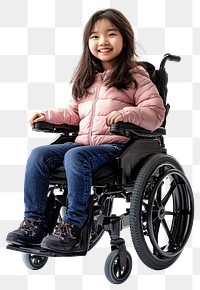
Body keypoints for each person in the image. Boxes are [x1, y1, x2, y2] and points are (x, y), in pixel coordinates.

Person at [6, 8, 165, 253]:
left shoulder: (136, 77)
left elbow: (155, 113)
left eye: (110, 34)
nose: (102, 41)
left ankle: (73, 225)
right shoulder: (87, 79)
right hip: (83, 145)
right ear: (87, 42)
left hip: (117, 148)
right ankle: (34, 222)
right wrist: (47, 116)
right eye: (94, 36)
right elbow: (73, 113)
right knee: (39, 155)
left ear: (125, 38)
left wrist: (125, 114)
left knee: (75, 156)